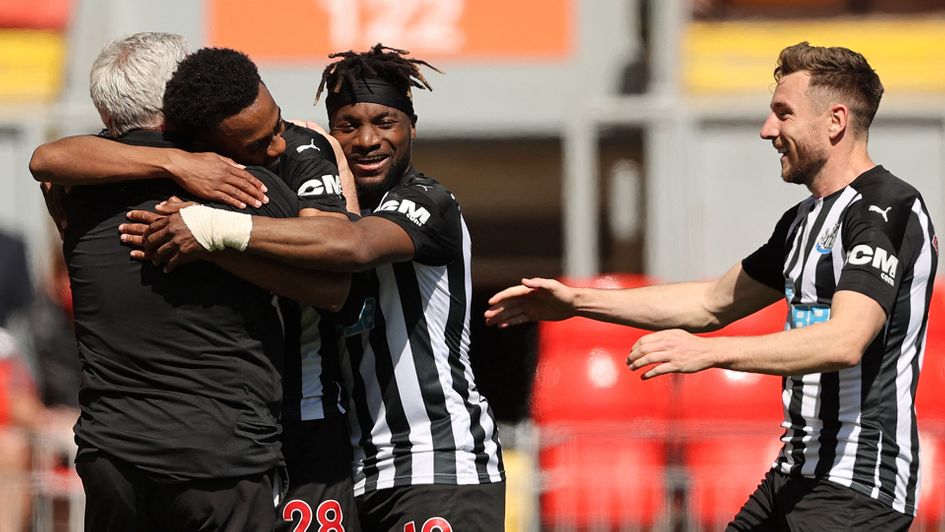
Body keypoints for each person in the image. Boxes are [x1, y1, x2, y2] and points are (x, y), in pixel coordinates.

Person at [486, 42, 935, 531]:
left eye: (783, 114)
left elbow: (845, 340)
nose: (769, 130)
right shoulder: (802, 222)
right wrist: (577, 302)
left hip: (857, 484)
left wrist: (711, 353)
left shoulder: (886, 209)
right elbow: (709, 302)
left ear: (835, 121)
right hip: (797, 473)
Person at [126, 44, 506, 531]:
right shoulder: (323, 208)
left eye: (385, 122)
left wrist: (214, 230)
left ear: (412, 125)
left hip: (439, 461)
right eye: (348, 126)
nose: (367, 140)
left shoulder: (429, 202)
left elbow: (351, 248)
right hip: (357, 471)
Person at [33, 43, 362, 530]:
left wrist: (210, 240)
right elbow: (336, 274)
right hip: (219, 461)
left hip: (112, 459)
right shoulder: (240, 185)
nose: (275, 146)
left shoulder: (74, 187)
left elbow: (46, 159)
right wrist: (330, 163)